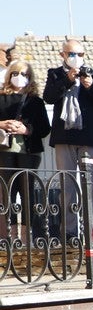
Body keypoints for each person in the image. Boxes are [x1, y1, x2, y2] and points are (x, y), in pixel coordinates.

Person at [43, 39, 93, 238]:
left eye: (80, 54)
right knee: (67, 186)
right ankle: (69, 232)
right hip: (64, 137)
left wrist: (91, 86)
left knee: (90, 187)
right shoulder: (55, 74)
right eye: (72, 54)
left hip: (88, 138)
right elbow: (49, 97)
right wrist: (67, 80)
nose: (76, 58)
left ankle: (90, 231)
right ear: (62, 55)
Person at [0, 59, 51, 239]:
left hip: (29, 151)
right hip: (4, 151)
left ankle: (27, 234)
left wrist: (27, 129)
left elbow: (45, 128)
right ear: (9, 75)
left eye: (23, 74)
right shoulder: (1, 97)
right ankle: (10, 236)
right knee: (7, 193)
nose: (19, 77)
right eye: (15, 73)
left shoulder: (35, 101)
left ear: (30, 78)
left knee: (27, 192)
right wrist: (3, 123)